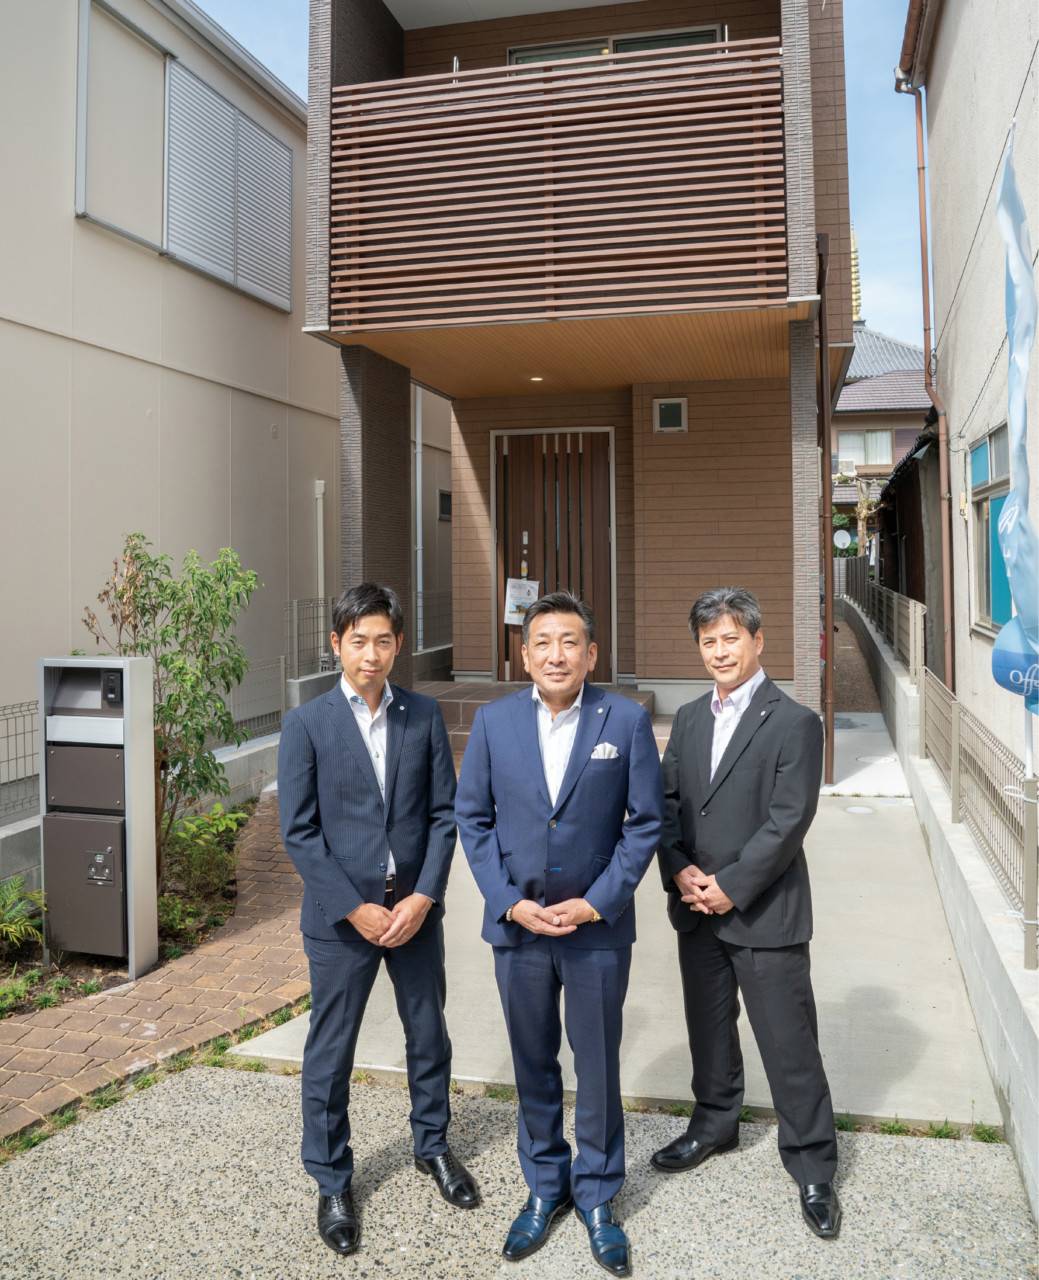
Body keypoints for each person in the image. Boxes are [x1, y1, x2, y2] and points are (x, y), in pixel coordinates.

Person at [456, 591, 663, 1277]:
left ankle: (598, 1195)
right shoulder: (493, 722)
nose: (556, 655)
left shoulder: (624, 720)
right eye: (542, 642)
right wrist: (508, 903)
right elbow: (472, 819)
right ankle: (546, 1185)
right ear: (524, 655)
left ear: (591, 653)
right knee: (533, 1060)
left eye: (569, 642)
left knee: (596, 1064)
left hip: (595, 930)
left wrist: (597, 903)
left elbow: (644, 822)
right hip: (518, 928)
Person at [278, 583, 479, 1256]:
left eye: (383, 641)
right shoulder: (307, 724)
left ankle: (432, 1146)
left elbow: (443, 816)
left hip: (414, 911)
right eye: (358, 641)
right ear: (336, 643)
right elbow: (300, 831)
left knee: (429, 1034)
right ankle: (332, 1179)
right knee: (330, 1052)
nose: (371, 654)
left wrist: (423, 898)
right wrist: (354, 907)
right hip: (342, 920)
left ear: (398, 646)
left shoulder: (422, 716)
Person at [653, 587, 841, 1239]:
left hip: (764, 911)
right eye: (708, 641)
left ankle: (812, 1164)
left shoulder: (794, 722)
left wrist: (730, 885)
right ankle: (714, 1125)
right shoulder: (688, 719)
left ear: (757, 641)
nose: (719, 651)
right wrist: (678, 868)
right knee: (708, 1031)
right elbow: (666, 804)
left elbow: (789, 820)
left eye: (730, 638)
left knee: (788, 1043)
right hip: (695, 906)